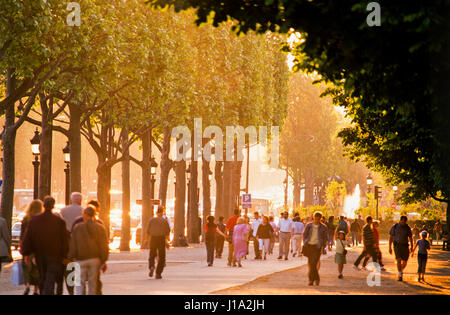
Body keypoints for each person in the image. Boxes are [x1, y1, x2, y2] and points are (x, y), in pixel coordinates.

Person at [21, 196, 68, 295]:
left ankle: (43, 291)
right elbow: (64, 240)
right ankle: (47, 291)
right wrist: (65, 256)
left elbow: (28, 237)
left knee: (42, 275)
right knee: (50, 276)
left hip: (40, 254)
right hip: (54, 254)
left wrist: (26, 253)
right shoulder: (59, 222)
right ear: (53, 206)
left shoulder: (35, 220)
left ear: (44, 205)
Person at [68, 207, 109, 295]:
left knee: (79, 282)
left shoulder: (78, 227)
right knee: (92, 282)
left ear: (85, 215)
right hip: (94, 259)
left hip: (80, 259)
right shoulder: (100, 228)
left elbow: (73, 244)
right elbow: (104, 245)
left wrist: (70, 257)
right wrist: (103, 259)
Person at [20, 200, 43, 295]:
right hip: (38, 247)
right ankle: (36, 290)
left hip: (27, 246)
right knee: (36, 269)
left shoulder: (26, 219)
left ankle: (27, 285)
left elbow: (22, 236)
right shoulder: (40, 219)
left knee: (26, 267)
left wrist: (22, 247)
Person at [303, 211, 328, 286]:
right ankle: (316, 278)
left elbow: (325, 237)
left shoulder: (323, 227)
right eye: (315, 218)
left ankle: (311, 280)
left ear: (320, 219)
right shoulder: (309, 225)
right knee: (311, 263)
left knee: (314, 263)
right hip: (309, 245)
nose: (316, 220)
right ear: (313, 218)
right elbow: (305, 235)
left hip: (317, 246)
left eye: (318, 219)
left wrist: (323, 245)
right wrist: (305, 242)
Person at [146, 206, 171, 279]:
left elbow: (147, 231)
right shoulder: (164, 221)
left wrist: (146, 240)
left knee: (152, 255)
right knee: (162, 256)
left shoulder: (151, 220)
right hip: (161, 239)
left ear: (156, 212)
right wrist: (167, 242)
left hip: (153, 238)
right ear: (162, 212)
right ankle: (158, 273)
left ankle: (151, 266)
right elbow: (167, 233)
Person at [389, 215, 413, 281]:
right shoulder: (395, 227)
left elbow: (410, 238)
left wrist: (412, 247)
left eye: (404, 222)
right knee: (398, 260)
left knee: (405, 261)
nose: (403, 223)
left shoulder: (407, 228)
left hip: (405, 246)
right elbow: (391, 237)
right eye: (402, 222)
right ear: (400, 220)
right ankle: (400, 275)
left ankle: (401, 269)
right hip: (397, 245)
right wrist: (390, 247)